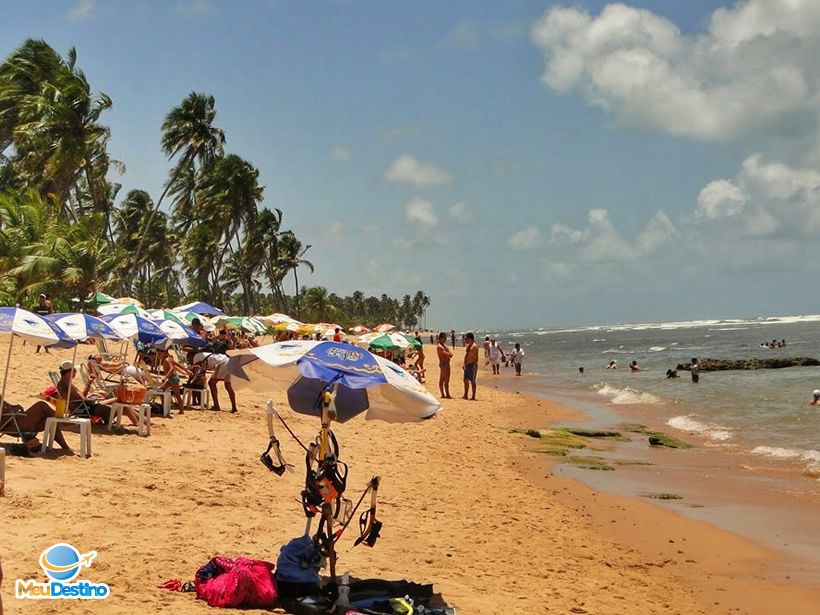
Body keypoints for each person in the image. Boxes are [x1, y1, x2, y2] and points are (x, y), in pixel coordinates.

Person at [56, 361, 139, 426]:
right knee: (122, 404)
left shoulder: (64, 383)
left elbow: (80, 398)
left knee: (119, 400)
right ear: (69, 372)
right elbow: (82, 399)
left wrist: (89, 384)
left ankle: (140, 420)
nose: (75, 372)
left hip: (85, 407)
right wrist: (92, 398)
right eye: (74, 370)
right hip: (87, 409)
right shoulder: (66, 385)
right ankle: (138, 422)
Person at [1, 398, 72, 454]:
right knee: (41, 405)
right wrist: (13, 412)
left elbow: (5, 407)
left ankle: (65, 448)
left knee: (48, 421)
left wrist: (13, 407)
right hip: (14, 425)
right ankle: (62, 422)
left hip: (16, 421)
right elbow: (3, 417)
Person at [157, 348, 192, 414]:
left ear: (165, 353)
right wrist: (186, 370)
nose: (158, 355)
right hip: (172, 379)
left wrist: (166, 377)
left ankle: (181, 410)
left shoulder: (166, 360)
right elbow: (178, 365)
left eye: (159, 354)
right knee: (161, 391)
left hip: (173, 379)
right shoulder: (170, 359)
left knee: (177, 395)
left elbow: (172, 368)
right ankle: (164, 408)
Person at [436, 332, 453, 399]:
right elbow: (448, 354)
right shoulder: (439, 346)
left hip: (447, 363)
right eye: (444, 338)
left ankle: (447, 394)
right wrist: (449, 354)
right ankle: (443, 394)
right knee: (442, 379)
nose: (445, 339)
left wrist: (449, 354)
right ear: (441, 338)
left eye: (446, 338)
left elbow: (450, 354)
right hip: (443, 364)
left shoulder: (444, 346)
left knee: (447, 380)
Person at [462, 332, 478, 400]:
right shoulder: (469, 346)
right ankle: (465, 395)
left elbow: (476, 357)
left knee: (472, 381)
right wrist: (464, 364)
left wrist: (474, 366)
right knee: (465, 380)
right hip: (467, 365)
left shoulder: (474, 346)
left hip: (472, 365)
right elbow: (466, 355)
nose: (465, 340)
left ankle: (473, 396)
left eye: (466, 339)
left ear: (470, 338)